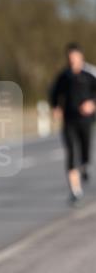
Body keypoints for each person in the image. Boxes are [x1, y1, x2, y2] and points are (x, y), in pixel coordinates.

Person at [49, 43, 96, 205]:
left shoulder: (90, 74)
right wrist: (55, 107)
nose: (72, 61)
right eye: (69, 59)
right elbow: (54, 93)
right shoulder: (63, 77)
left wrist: (92, 104)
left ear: (81, 57)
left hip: (86, 121)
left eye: (74, 58)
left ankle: (85, 166)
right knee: (71, 153)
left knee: (84, 152)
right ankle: (75, 191)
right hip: (69, 120)